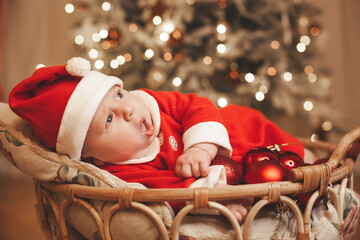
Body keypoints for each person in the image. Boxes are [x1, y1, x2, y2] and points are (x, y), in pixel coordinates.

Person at [9, 57, 308, 222]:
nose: (127, 109)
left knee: (266, 136)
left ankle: (307, 166)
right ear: (92, 157)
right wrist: (214, 200)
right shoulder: (124, 173)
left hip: (235, 134)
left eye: (119, 94)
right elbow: (166, 190)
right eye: (109, 119)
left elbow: (195, 104)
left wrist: (201, 145)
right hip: (229, 176)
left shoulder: (152, 103)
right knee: (269, 184)